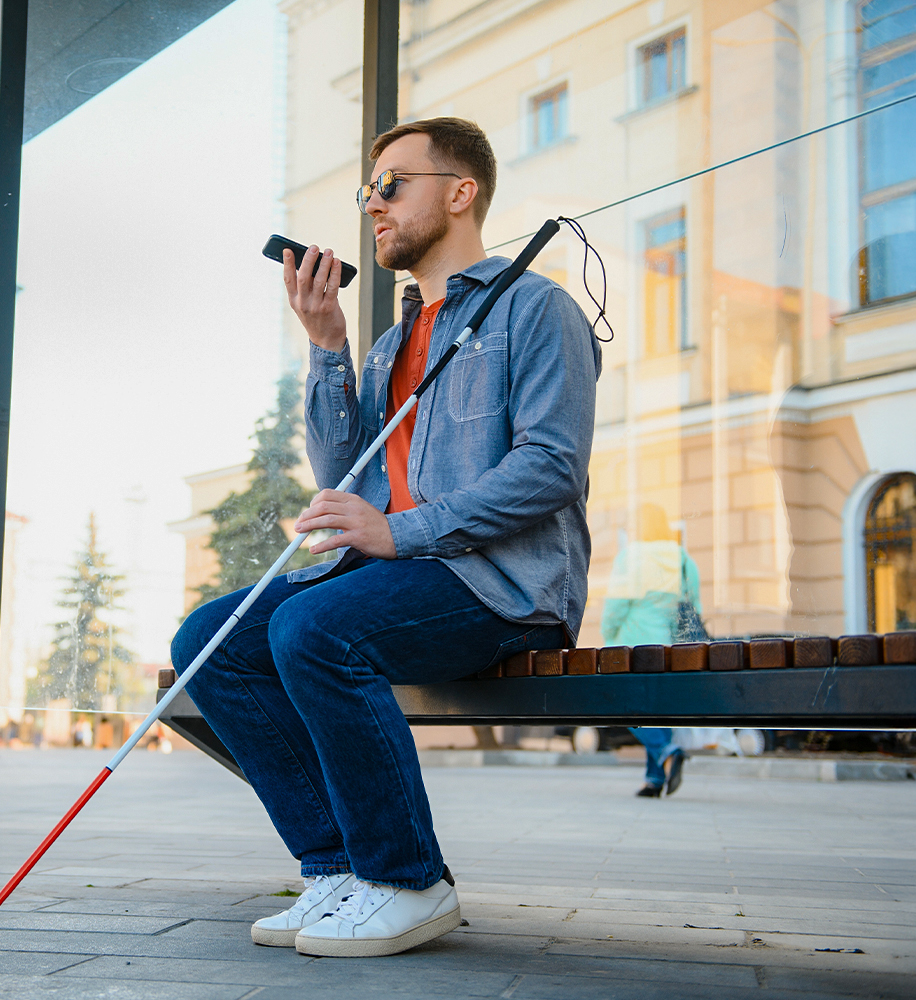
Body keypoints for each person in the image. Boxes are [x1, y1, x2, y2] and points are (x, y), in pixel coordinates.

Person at [172, 117, 600, 958]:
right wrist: (326, 345)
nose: (374, 203)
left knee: (313, 629)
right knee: (210, 641)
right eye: (368, 189)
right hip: (400, 576)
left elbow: (552, 466)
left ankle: (407, 880)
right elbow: (345, 471)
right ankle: (337, 870)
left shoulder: (536, 309)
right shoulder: (394, 340)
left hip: (500, 585)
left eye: (393, 184)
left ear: (460, 191)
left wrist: (402, 532)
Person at [599, 504, 695, 798]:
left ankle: (667, 751)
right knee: (656, 712)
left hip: (631, 645)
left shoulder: (632, 557)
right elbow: (694, 607)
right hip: (666, 646)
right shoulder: (682, 560)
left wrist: (608, 636)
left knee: (624, 707)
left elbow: (616, 605)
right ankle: (655, 779)